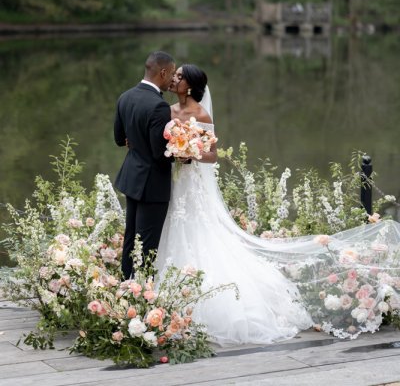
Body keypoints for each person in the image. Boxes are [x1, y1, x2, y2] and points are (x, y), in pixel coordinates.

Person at [157, 64, 400, 346]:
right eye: (173, 76)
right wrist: (174, 151)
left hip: (194, 183)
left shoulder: (201, 114)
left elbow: (212, 156)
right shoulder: (169, 111)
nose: (174, 80)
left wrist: (191, 152)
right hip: (177, 182)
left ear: (191, 84)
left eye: (179, 77)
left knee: (201, 231)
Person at [114, 51, 176, 280]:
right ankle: (141, 297)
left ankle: (124, 287)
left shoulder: (125, 97)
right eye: (172, 73)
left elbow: (120, 139)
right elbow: (160, 155)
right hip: (152, 184)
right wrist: (183, 154)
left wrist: (136, 141)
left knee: (131, 238)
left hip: (132, 178)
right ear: (162, 72)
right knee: (148, 247)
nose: (173, 80)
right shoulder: (159, 106)